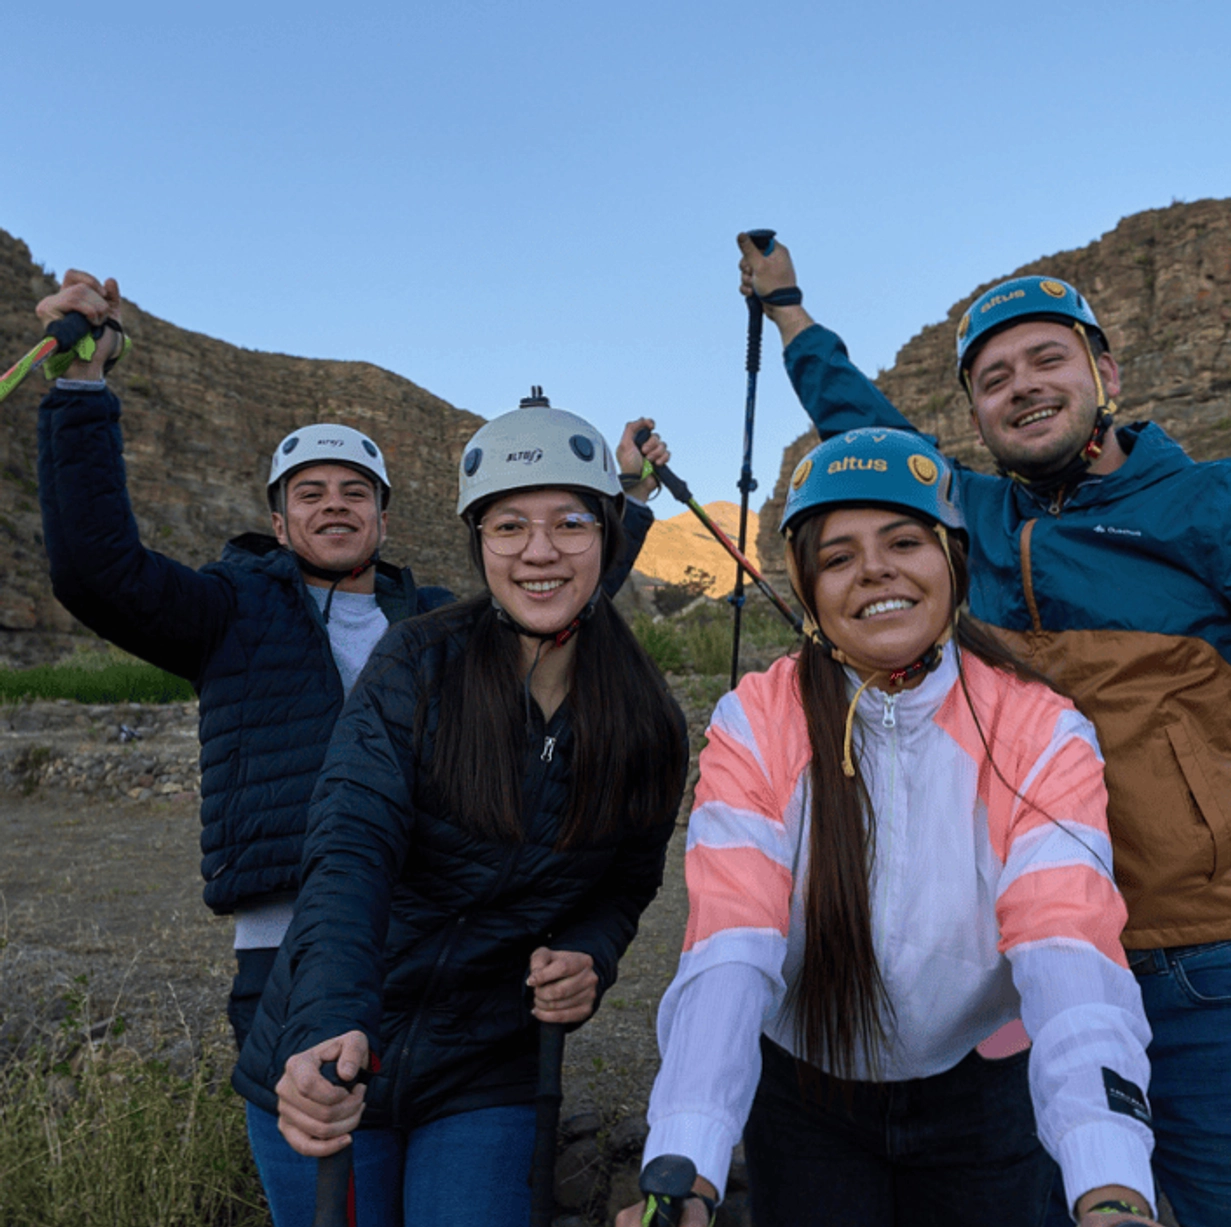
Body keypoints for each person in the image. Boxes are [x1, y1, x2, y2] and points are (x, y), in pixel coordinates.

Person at [737, 235, 1231, 1227]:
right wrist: (789, 306)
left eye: (1046, 360)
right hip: (1018, 972)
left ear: (1104, 374)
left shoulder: (1214, 507)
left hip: (1203, 962)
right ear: (976, 411)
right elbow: (856, 413)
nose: (1021, 388)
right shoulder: (961, 519)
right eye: (992, 378)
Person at [33, 270, 669, 1052]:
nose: (334, 503)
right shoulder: (226, 610)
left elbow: (557, 594)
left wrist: (624, 502)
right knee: (314, 1139)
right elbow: (99, 572)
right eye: (310, 492)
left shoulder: (440, 620)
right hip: (284, 944)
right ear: (277, 517)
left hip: (441, 935)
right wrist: (82, 390)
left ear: (384, 516)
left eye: (355, 490)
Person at [620, 429, 1160, 1227]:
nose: (874, 569)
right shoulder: (754, 723)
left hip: (982, 1090)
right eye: (838, 557)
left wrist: (1110, 1182)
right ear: (808, 587)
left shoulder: (1040, 730)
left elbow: (1069, 947)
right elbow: (729, 945)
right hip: (804, 1098)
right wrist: (687, 1163)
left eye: (904, 541)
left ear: (952, 561)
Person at [232, 401, 689, 1226]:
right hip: (331, 1043)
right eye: (509, 524)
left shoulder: (646, 720)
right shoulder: (418, 662)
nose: (540, 550)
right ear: (479, 543)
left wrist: (590, 952)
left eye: (571, 522)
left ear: (609, 535)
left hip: (487, 1067)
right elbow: (348, 850)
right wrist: (331, 1020)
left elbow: (626, 884)